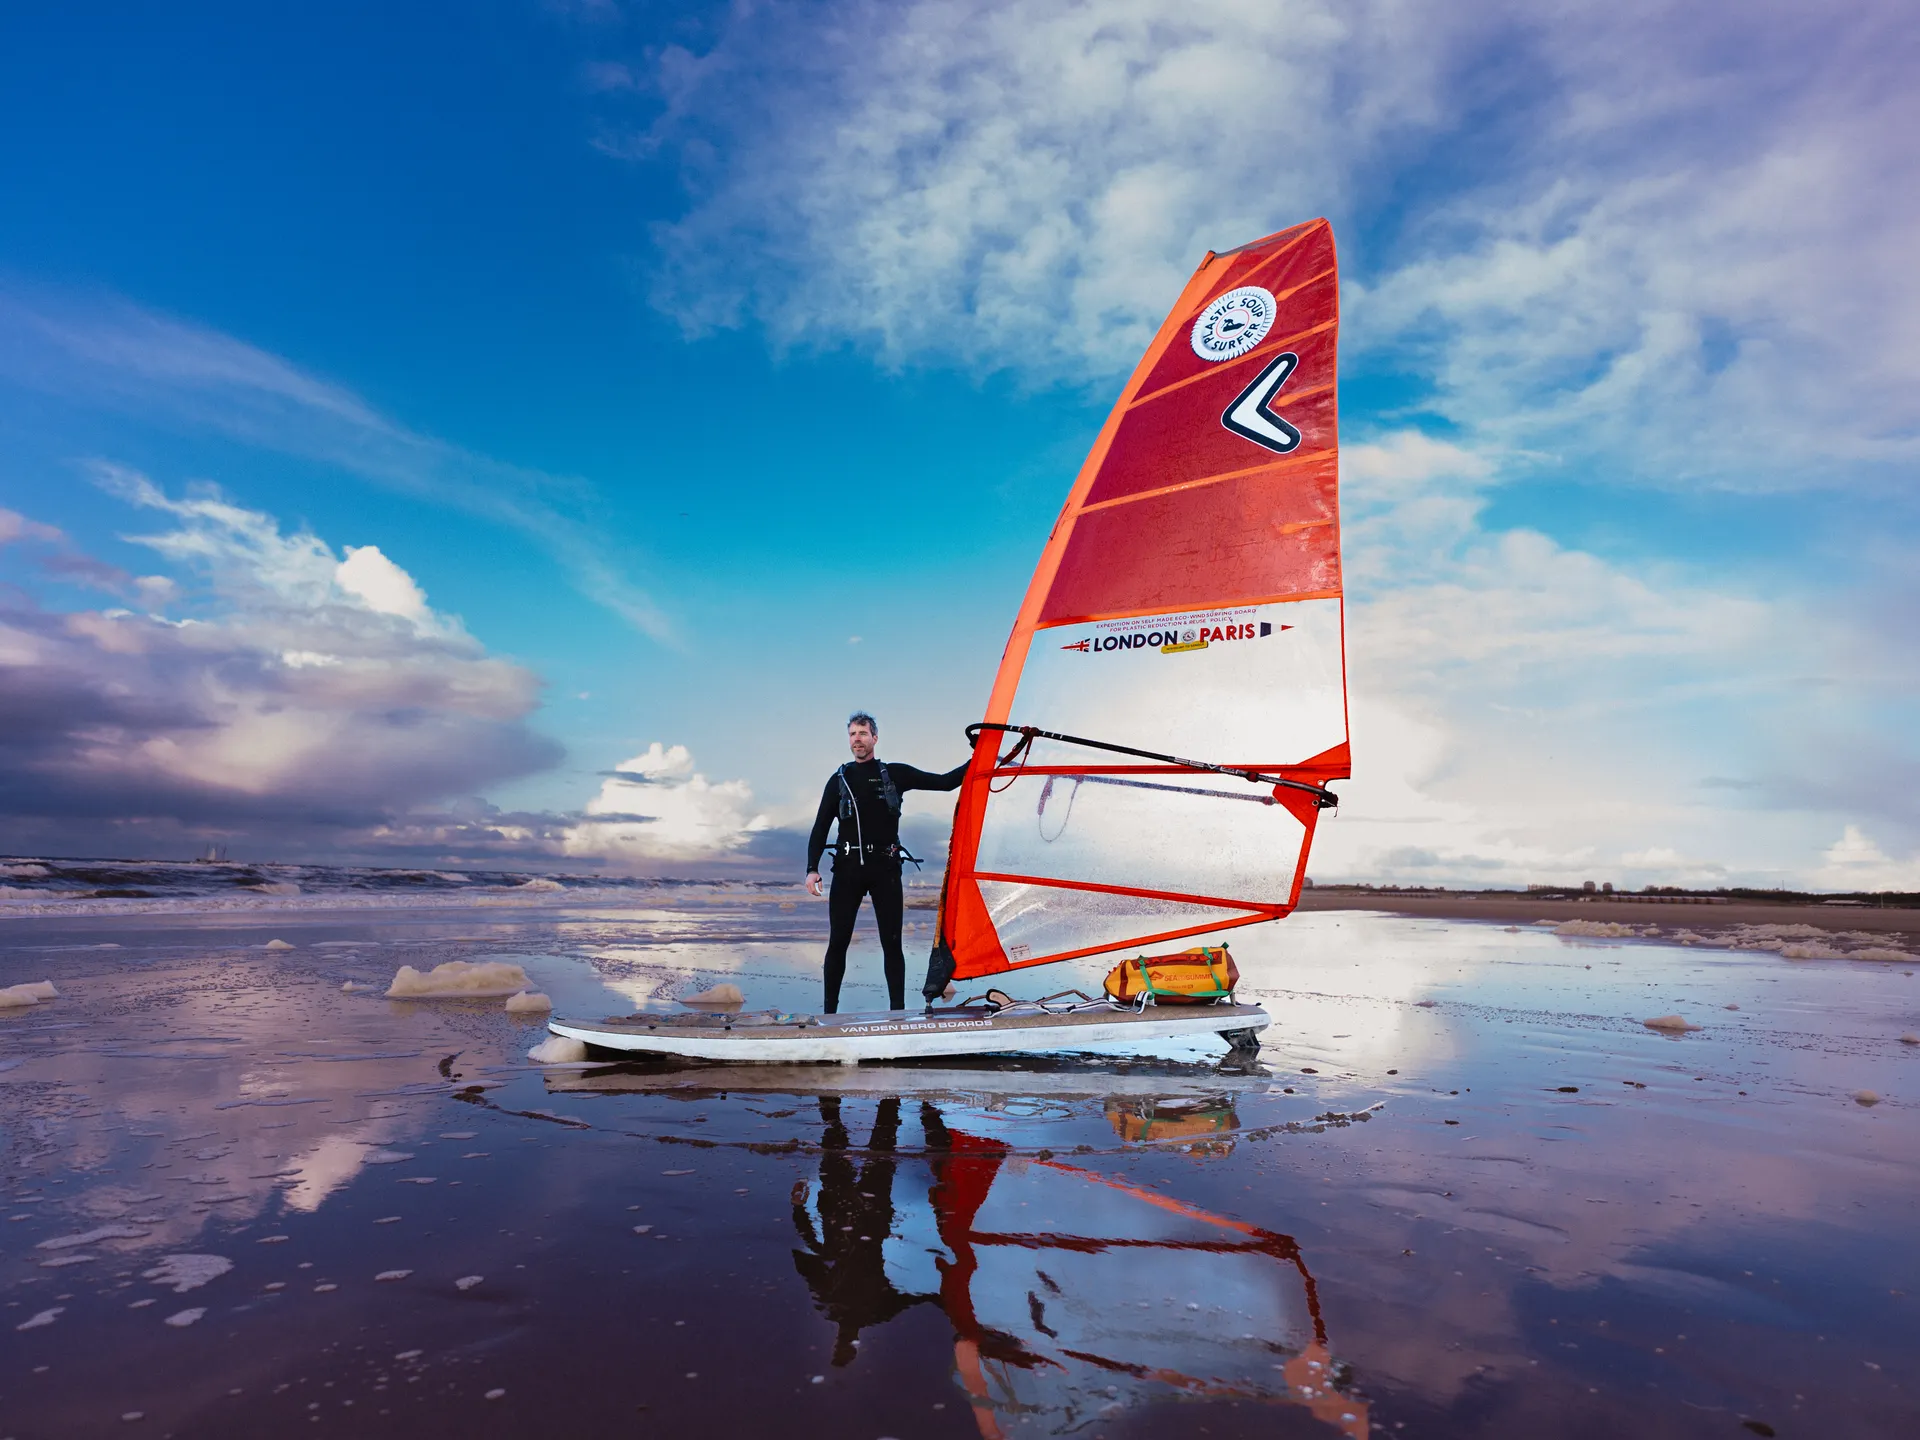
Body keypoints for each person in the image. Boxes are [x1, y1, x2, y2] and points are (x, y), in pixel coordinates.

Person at [805, 711, 966, 1012]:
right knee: (838, 943)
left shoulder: (894, 774)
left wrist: (981, 757)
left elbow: (945, 783)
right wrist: (812, 868)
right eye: (853, 734)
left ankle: (898, 1014)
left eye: (863, 734)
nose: (857, 739)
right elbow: (820, 827)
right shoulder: (838, 780)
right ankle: (829, 1016)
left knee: (892, 945)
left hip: (885, 870)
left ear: (875, 738)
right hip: (848, 869)